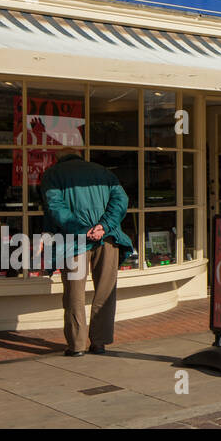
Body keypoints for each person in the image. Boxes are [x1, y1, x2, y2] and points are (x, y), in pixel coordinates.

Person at [40, 150, 135, 357]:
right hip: (107, 239)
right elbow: (121, 200)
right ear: (80, 156)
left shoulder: (53, 174)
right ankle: (99, 342)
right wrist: (103, 226)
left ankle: (76, 345)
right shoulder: (103, 172)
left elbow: (55, 208)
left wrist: (83, 230)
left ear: (59, 158)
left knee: (74, 294)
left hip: (73, 243)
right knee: (106, 292)